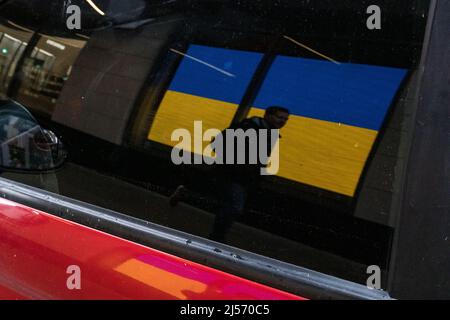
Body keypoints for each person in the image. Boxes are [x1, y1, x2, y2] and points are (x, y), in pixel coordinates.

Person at [207, 106, 290, 241]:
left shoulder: (267, 132)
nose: (283, 121)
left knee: (227, 204)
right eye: (280, 117)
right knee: (235, 206)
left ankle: (185, 194)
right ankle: (217, 237)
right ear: (268, 116)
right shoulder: (248, 128)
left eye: (285, 119)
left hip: (241, 175)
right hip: (233, 174)